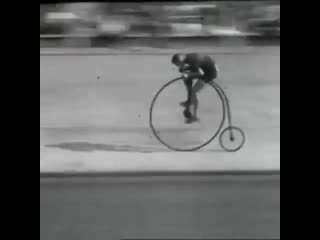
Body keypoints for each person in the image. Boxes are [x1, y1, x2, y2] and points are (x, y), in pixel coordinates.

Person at [171, 53, 218, 124]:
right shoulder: (187, 59)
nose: (177, 66)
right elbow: (192, 69)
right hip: (205, 69)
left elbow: (199, 73)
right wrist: (185, 71)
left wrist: (187, 74)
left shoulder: (191, 60)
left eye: (177, 64)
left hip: (210, 73)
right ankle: (189, 100)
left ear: (179, 61)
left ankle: (194, 116)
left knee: (193, 92)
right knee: (186, 78)